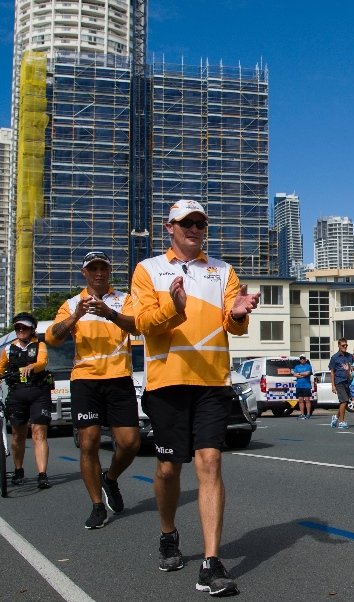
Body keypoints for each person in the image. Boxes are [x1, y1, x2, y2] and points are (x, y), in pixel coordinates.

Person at [130, 199, 259, 595]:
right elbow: (141, 322)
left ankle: (211, 562)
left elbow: (233, 327)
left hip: (211, 383)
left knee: (210, 461)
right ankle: (168, 533)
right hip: (167, 383)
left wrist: (237, 314)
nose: (195, 229)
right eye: (187, 223)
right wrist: (175, 305)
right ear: (170, 227)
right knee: (169, 470)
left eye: (201, 223)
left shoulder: (223, 270)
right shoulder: (148, 269)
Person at [45, 250, 141, 529]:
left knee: (131, 443)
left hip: (119, 378)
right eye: (93, 268)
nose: (99, 273)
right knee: (88, 442)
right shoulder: (72, 303)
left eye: (103, 268)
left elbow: (137, 327)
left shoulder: (124, 299)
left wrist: (110, 313)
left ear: (109, 272)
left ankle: (109, 478)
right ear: (84, 273)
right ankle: (97, 505)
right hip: (85, 380)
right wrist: (76, 316)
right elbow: (53, 337)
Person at [0, 312, 53, 488]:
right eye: (17, 327)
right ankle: (18, 470)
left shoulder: (40, 346)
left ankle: (42, 474)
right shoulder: (8, 349)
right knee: (18, 435)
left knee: (39, 433)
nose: (20, 330)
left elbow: (42, 362)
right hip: (17, 394)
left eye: (24, 327)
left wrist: (33, 366)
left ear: (32, 329)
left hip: (38, 392)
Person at [328, 339, 353, 429]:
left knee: (346, 403)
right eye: (343, 345)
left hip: (348, 381)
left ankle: (336, 417)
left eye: (346, 345)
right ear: (339, 346)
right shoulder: (335, 357)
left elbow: (352, 368)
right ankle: (342, 422)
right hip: (339, 381)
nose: (345, 347)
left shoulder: (350, 356)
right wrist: (333, 385)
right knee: (344, 401)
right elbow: (332, 372)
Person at [292, 355, 313, 420]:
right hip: (299, 386)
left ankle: (308, 413)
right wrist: (302, 374)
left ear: (305, 359)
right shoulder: (297, 366)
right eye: (301, 358)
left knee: (307, 400)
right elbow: (294, 374)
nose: (302, 359)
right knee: (300, 400)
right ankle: (302, 414)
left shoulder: (308, 366)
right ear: (299, 360)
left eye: (303, 358)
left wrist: (299, 374)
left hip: (306, 386)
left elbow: (307, 373)